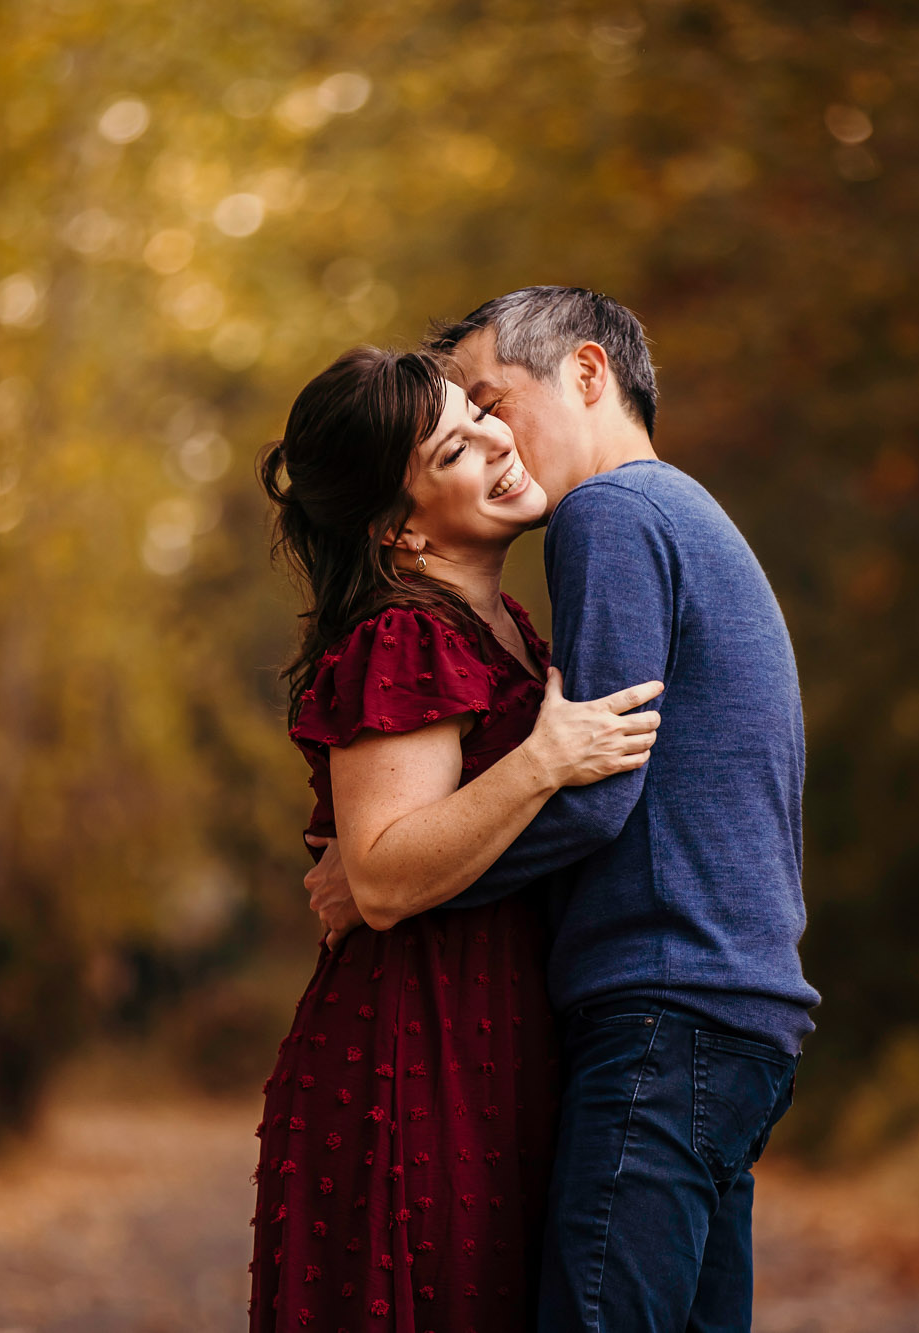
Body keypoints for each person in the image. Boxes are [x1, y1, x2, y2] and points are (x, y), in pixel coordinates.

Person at [307, 287, 822, 1332]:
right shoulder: (672, 511)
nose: (492, 434)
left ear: (586, 374)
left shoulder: (610, 513)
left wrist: (385, 894)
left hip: (664, 1009)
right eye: (461, 428)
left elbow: (595, 799)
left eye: (489, 399)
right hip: (734, 1009)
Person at [246, 345, 665, 1333]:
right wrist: (542, 760)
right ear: (395, 530)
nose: (494, 441)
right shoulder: (405, 635)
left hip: (495, 1041)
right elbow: (384, 880)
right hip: (409, 1059)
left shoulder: (506, 623)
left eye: (477, 416)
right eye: (450, 451)